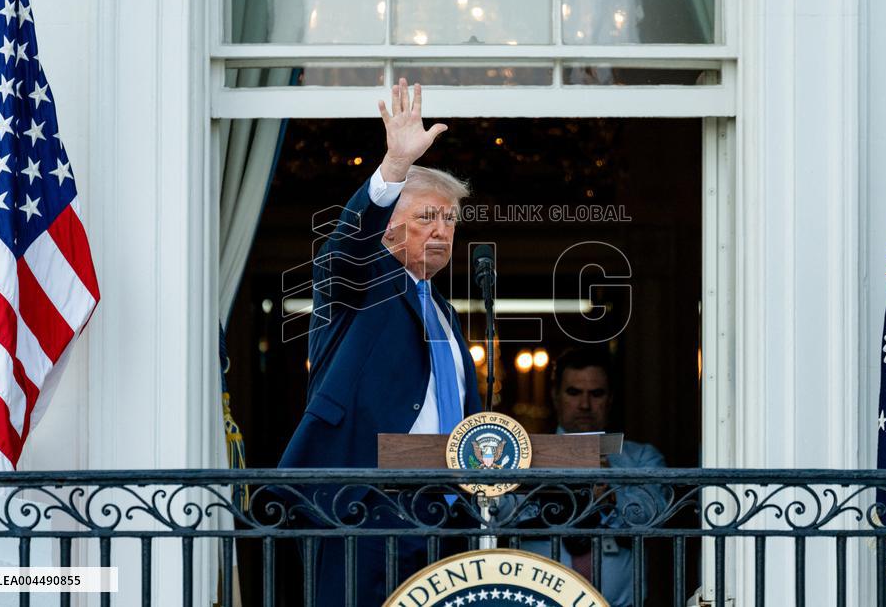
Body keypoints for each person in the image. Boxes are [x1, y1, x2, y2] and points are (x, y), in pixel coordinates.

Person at [276, 78, 482, 606]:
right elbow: (346, 247)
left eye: (450, 219)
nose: (442, 230)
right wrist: (392, 168)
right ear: (388, 230)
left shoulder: (442, 310)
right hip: (364, 506)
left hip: (446, 511)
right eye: (426, 217)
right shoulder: (360, 285)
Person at [520, 346, 667, 607]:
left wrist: (611, 496)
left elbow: (654, 516)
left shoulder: (641, 458)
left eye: (596, 394)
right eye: (574, 392)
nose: (585, 405)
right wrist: (553, 487)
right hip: (536, 601)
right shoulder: (525, 457)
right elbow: (495, 513)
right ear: (555, 396)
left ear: (610, 398)